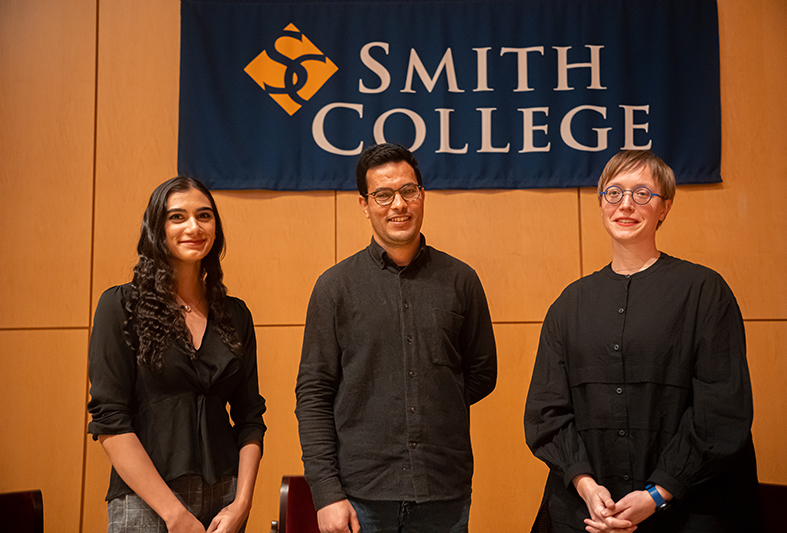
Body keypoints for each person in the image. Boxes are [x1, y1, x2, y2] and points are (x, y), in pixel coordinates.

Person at [524, 150, 762, 533]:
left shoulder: (704, 291)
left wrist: (657, 493)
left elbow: (722, 411)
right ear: (601, 204)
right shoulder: (569, 304)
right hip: (588, 513)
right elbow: (546, 414)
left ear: (664, 207)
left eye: (642, 194)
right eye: (614, 193)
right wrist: (586, 487)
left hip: (687, 507)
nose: (626, 205)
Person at [295, 143, 498, 533]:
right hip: (359, 495)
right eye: (383, 195)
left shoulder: (461, 280)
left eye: (408, 191)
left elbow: (480, 375)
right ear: (364, 204)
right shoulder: (334, 288)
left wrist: (432, 397)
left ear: (422, 195)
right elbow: (314, 395)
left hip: (444, 492)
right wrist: (326, 493)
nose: (398, 205)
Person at [87, 176, 266, 533]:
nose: (194, 227)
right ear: (157, 227)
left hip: (224, 503)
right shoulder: (120, 305)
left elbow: (250, 418)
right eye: (177, 217)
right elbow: (110, 420)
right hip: (146, 501)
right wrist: (174, 514)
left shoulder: (235, 314)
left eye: (204, 216)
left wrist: (241, 503)